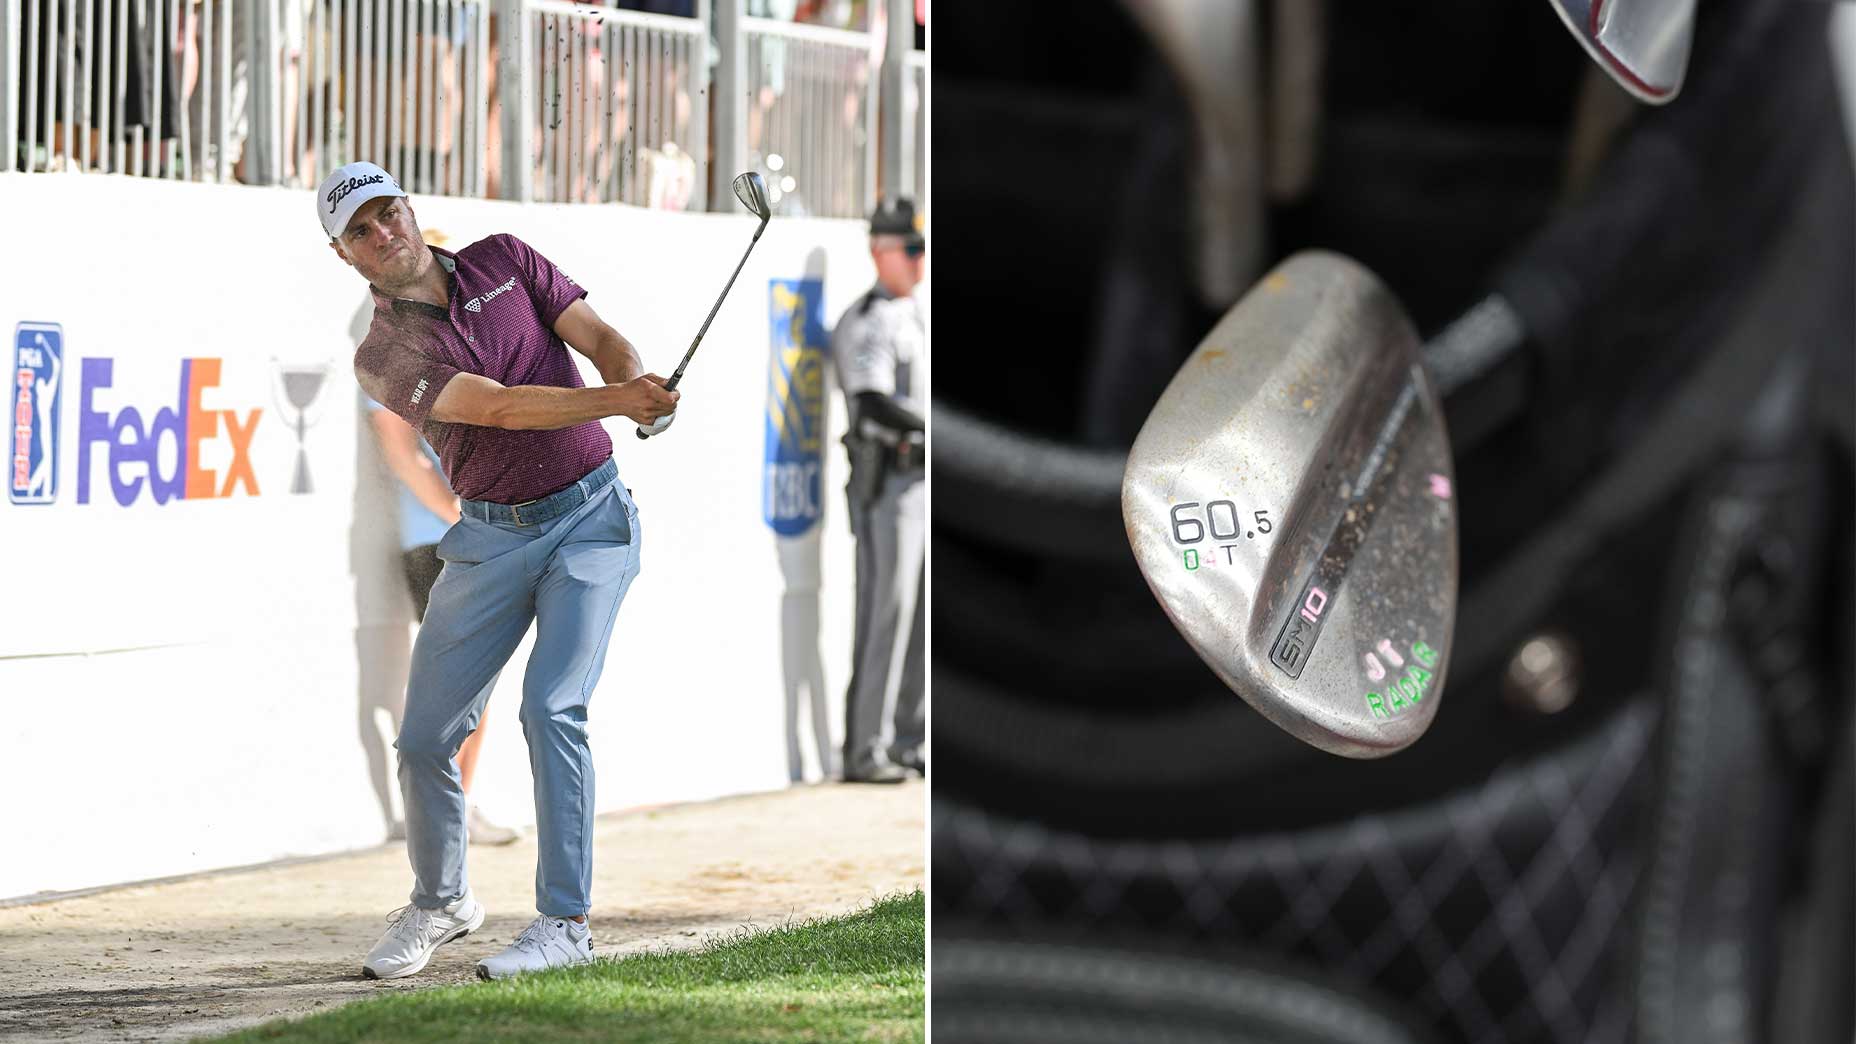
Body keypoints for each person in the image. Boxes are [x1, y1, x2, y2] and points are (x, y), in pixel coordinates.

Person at [320, 161, 679, 982]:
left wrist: (632, 379)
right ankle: (442, 900)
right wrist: (619, 403)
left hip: (592, 521)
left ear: (412, 209)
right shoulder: (383, 353)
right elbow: (499, 406)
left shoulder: (505, 258)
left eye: (388, 212)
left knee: (552, 707)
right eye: (361, 232)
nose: (384, 234)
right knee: (422, 737)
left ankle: (565, 925)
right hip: (489, 538)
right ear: (345, 256)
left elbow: (599, 338)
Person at [364, 382, 520, 846]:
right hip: (439, 541)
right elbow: (401, 453)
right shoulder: (390, 367)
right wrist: (464, 520)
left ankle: (452, 809)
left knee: (473, 682)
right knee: (459, 682)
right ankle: (444, 813)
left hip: (458, 536)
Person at [832, 196, 925, 784]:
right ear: (878, 252)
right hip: (889, 477)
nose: (919, 260)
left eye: (921, 248)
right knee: (884, 614)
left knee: (918, 617)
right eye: (908, 250)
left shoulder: (912, 310)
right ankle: (867, 747)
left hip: (920, 478)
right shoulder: (867, 318)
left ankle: (910, 740)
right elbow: (870, 401)